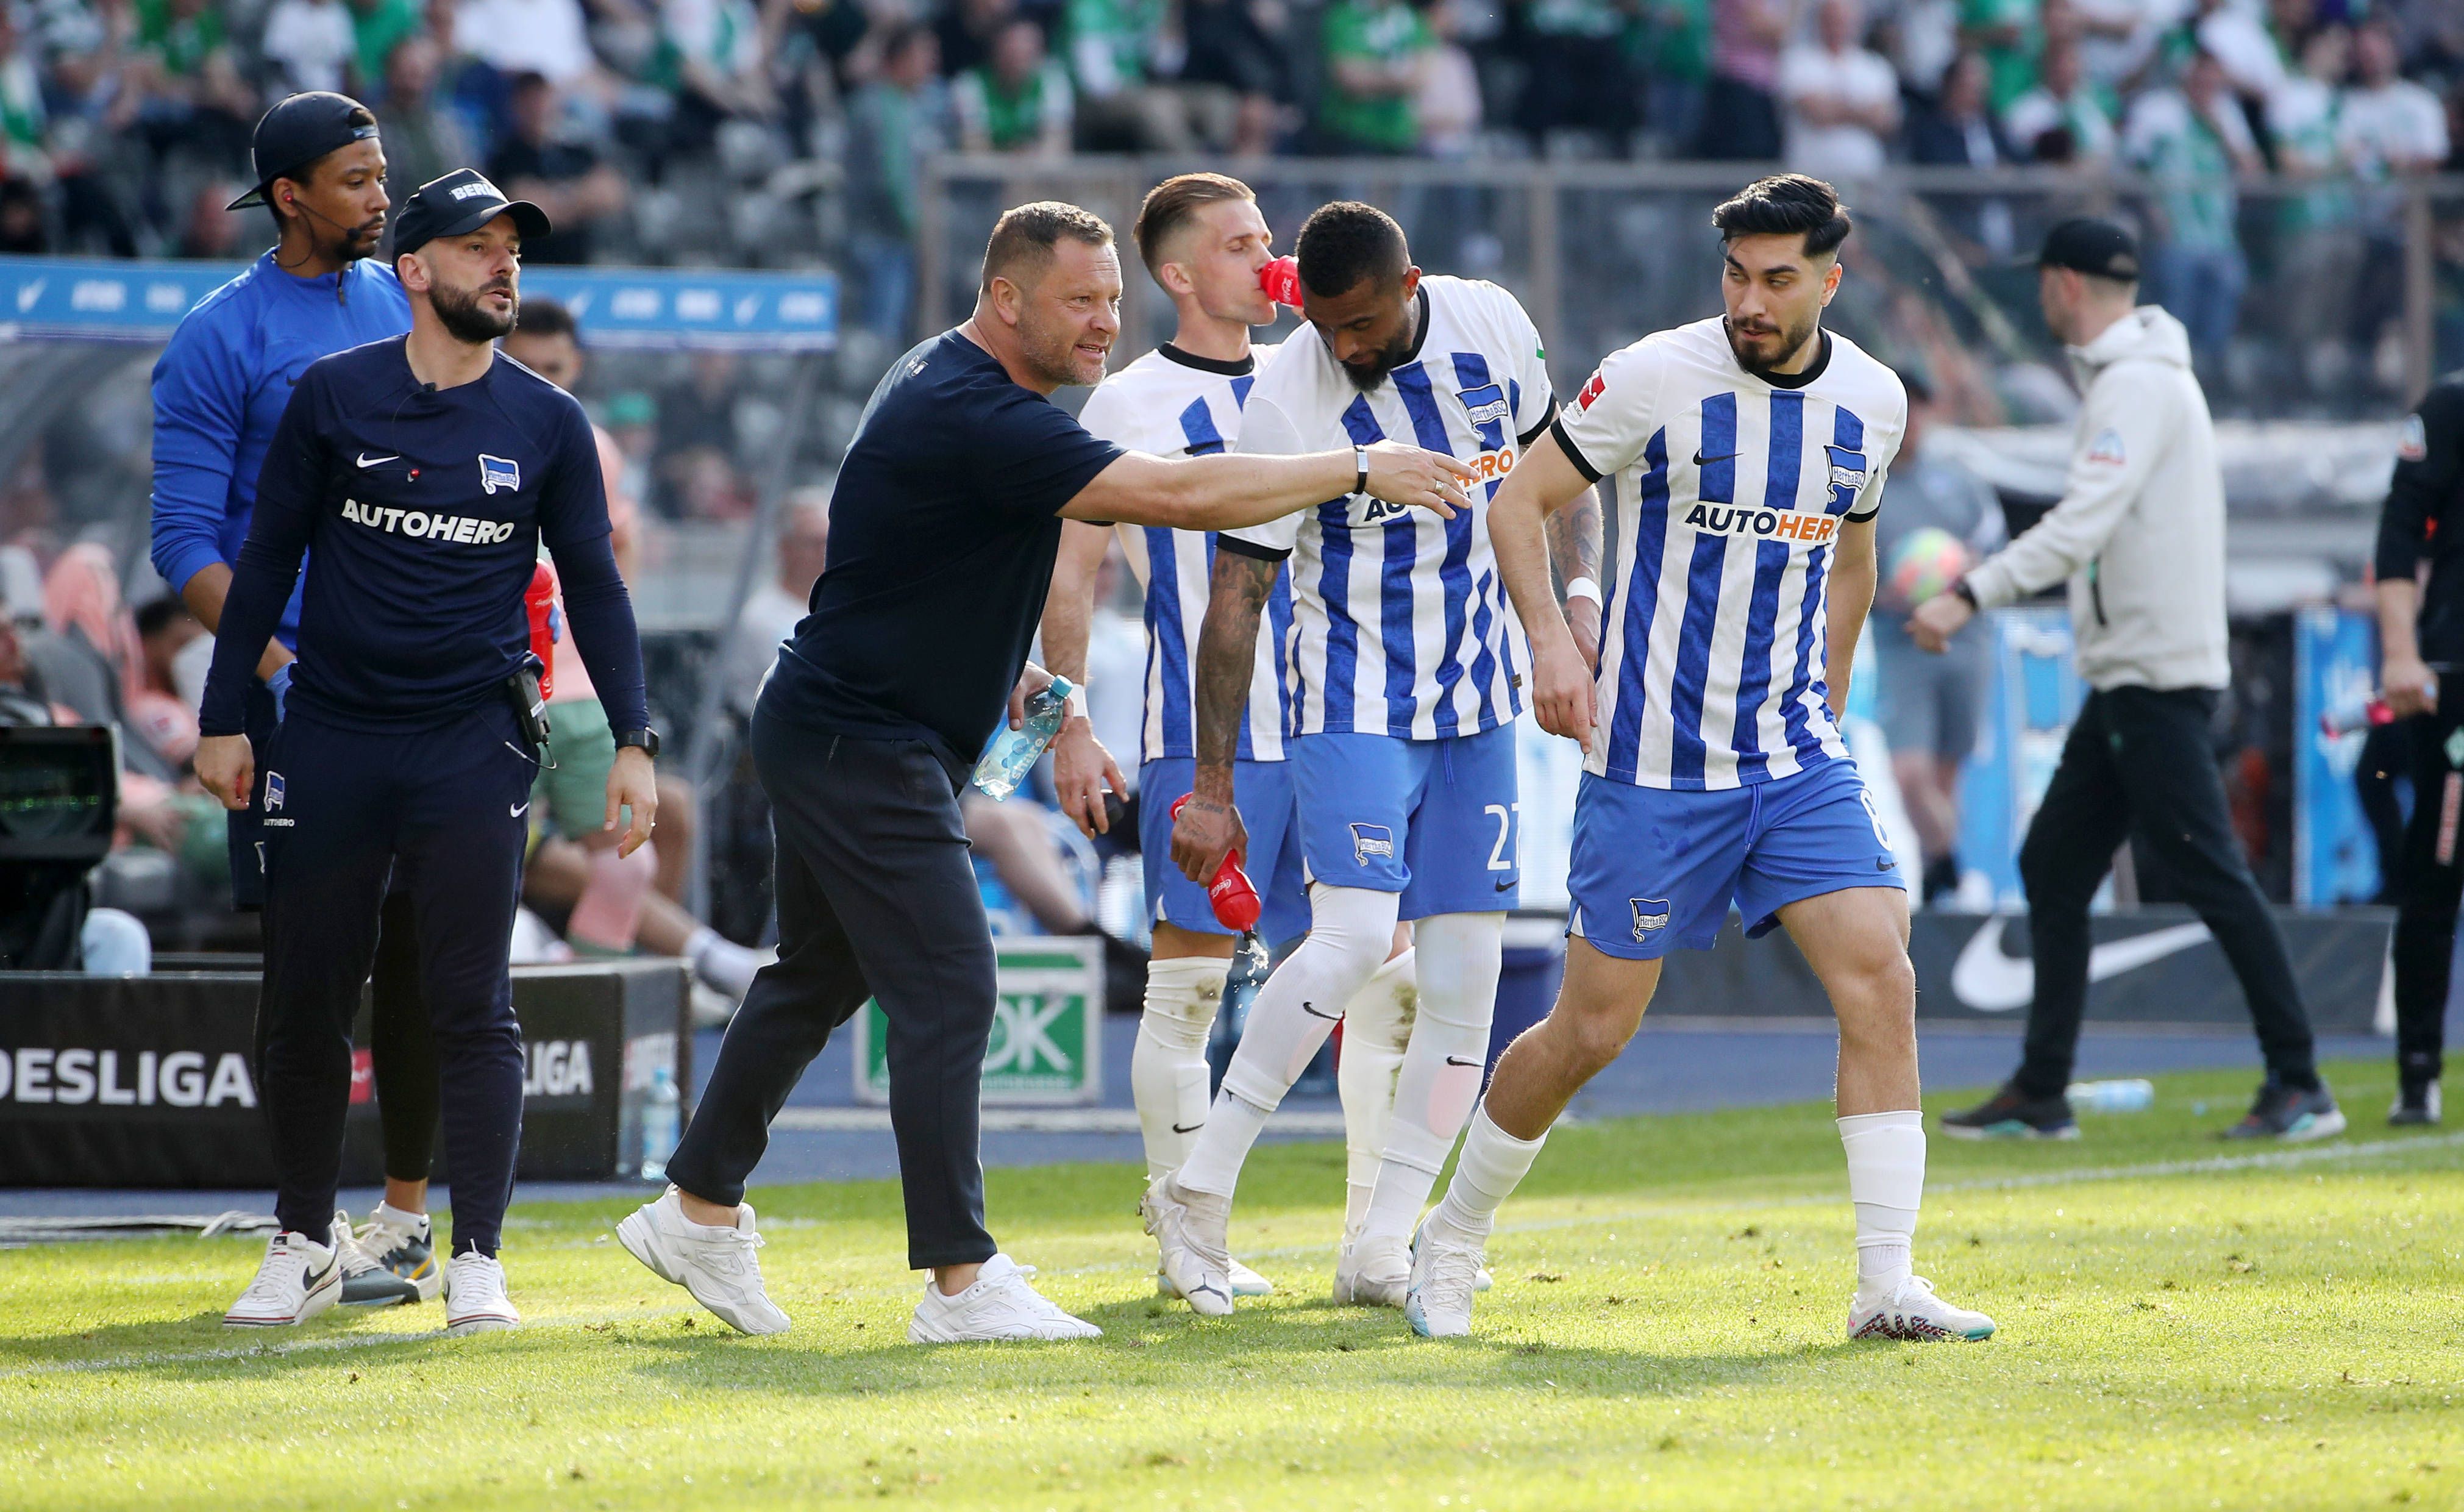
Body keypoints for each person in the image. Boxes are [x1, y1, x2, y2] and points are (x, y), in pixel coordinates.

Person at [613, 199, 1473, 1343]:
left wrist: (1019, 672)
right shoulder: (982, 412)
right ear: (1005, 298)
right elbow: (1171, 499)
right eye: (1081, 300)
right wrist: (1357, 466)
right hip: (859, 739)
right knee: (952, 984)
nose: (1104, 324)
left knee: (816, 978)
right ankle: (960, 1283)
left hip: (841, 722)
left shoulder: (950, 377)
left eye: (1114, 299)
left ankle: (695, 1211)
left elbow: (914, 557)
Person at [1400, 174, 1995, 1347]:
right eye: (1736, 275)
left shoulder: (1871, 400)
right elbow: (1520, 505)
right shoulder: (1656, 376)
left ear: (1833, 276)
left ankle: (1885, 1284)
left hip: (1790, 757)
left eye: (1777, 279)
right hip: (1653, 765)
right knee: (1592, 1031)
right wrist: (1552, 646)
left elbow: (1855, 563)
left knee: (1881, 974)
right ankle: (1449, 1240)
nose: (1750, 301)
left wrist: (1821, 713)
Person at [198, 169, 655, 1334]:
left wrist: (637, 741)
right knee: (304, 1000)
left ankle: (481, 1260)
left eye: (514, 247)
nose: (505, 265)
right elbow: (261, 569)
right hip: (334, 735)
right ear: (413, 270)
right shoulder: (331, 396)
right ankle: (301, 1243)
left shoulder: (548, 421)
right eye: (477, 246)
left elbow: (595, 586)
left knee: (472, 1003)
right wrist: (218, 716)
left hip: (472, 743)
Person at [1143, 201, 1584, 1316]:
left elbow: (1547, 477)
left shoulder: (1490, 323)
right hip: (1350, 695)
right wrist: (1212, 784)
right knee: (1344, 941)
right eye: (1327, 325)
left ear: (1412, 285)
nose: (1346, 346)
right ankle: (1194, 1197)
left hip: (1479, 701)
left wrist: (1568, 610)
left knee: (1464, 985)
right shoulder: (1290, 392)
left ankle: (1381, 1245)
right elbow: (1234, 599)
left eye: (1363, 323)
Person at [1039, 174, 1423, 1299]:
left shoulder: (1332, 367)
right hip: (1206, 736)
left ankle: (1373, 1240)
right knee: (1191, 991)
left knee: (1388, 982)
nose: (1274, 262)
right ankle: (1182, 1238)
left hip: (1349, 720)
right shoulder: (1128, 404)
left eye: (1273, 240)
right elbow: (1075, 572)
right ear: (1177, 274)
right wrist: (1069, 723)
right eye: (1245, 245)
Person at [1920, 219, 2340, 1143]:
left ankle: (2300, 1078)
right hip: (2131, 675)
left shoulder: (2134, 389)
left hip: (2151, 675)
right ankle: (2041, 1090)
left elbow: (2082, 524)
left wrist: (1968, 594)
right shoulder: (2141, 380)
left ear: (2064, 285)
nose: (2040, 302)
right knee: (2054, 866)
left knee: (2208, 872)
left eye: (2043, 286)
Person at [144, 91, 445, 1310]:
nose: (381, 197)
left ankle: (408, 1224)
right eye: (359, 179)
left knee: (426, 960)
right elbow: (181, 539)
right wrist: (280, 668)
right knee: (312, 972)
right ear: (290, 196)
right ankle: (301, 1235)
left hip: (422, 692)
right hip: (297, 700)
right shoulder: (217, 337)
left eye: (384, 176)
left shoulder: (400, 304)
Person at [2367, 368, 2464, 1126]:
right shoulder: (2451, 404)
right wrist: (2400, 652)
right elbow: (2399, 530)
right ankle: (2418, 1071)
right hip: (2454, 675)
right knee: (2434, 874)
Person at [1869, 371, 2004, 904]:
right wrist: (1887, 594)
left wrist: (1965, 571)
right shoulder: (1863, 490)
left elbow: (1996, 550)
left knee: (1947, 777)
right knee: (1909, 775)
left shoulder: (1960, 482)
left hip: (1965, 643)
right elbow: (1840, 568)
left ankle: (1937, 879)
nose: (1909, 423)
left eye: (1917, 408)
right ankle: (1949, 860)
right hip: (1903, 645)